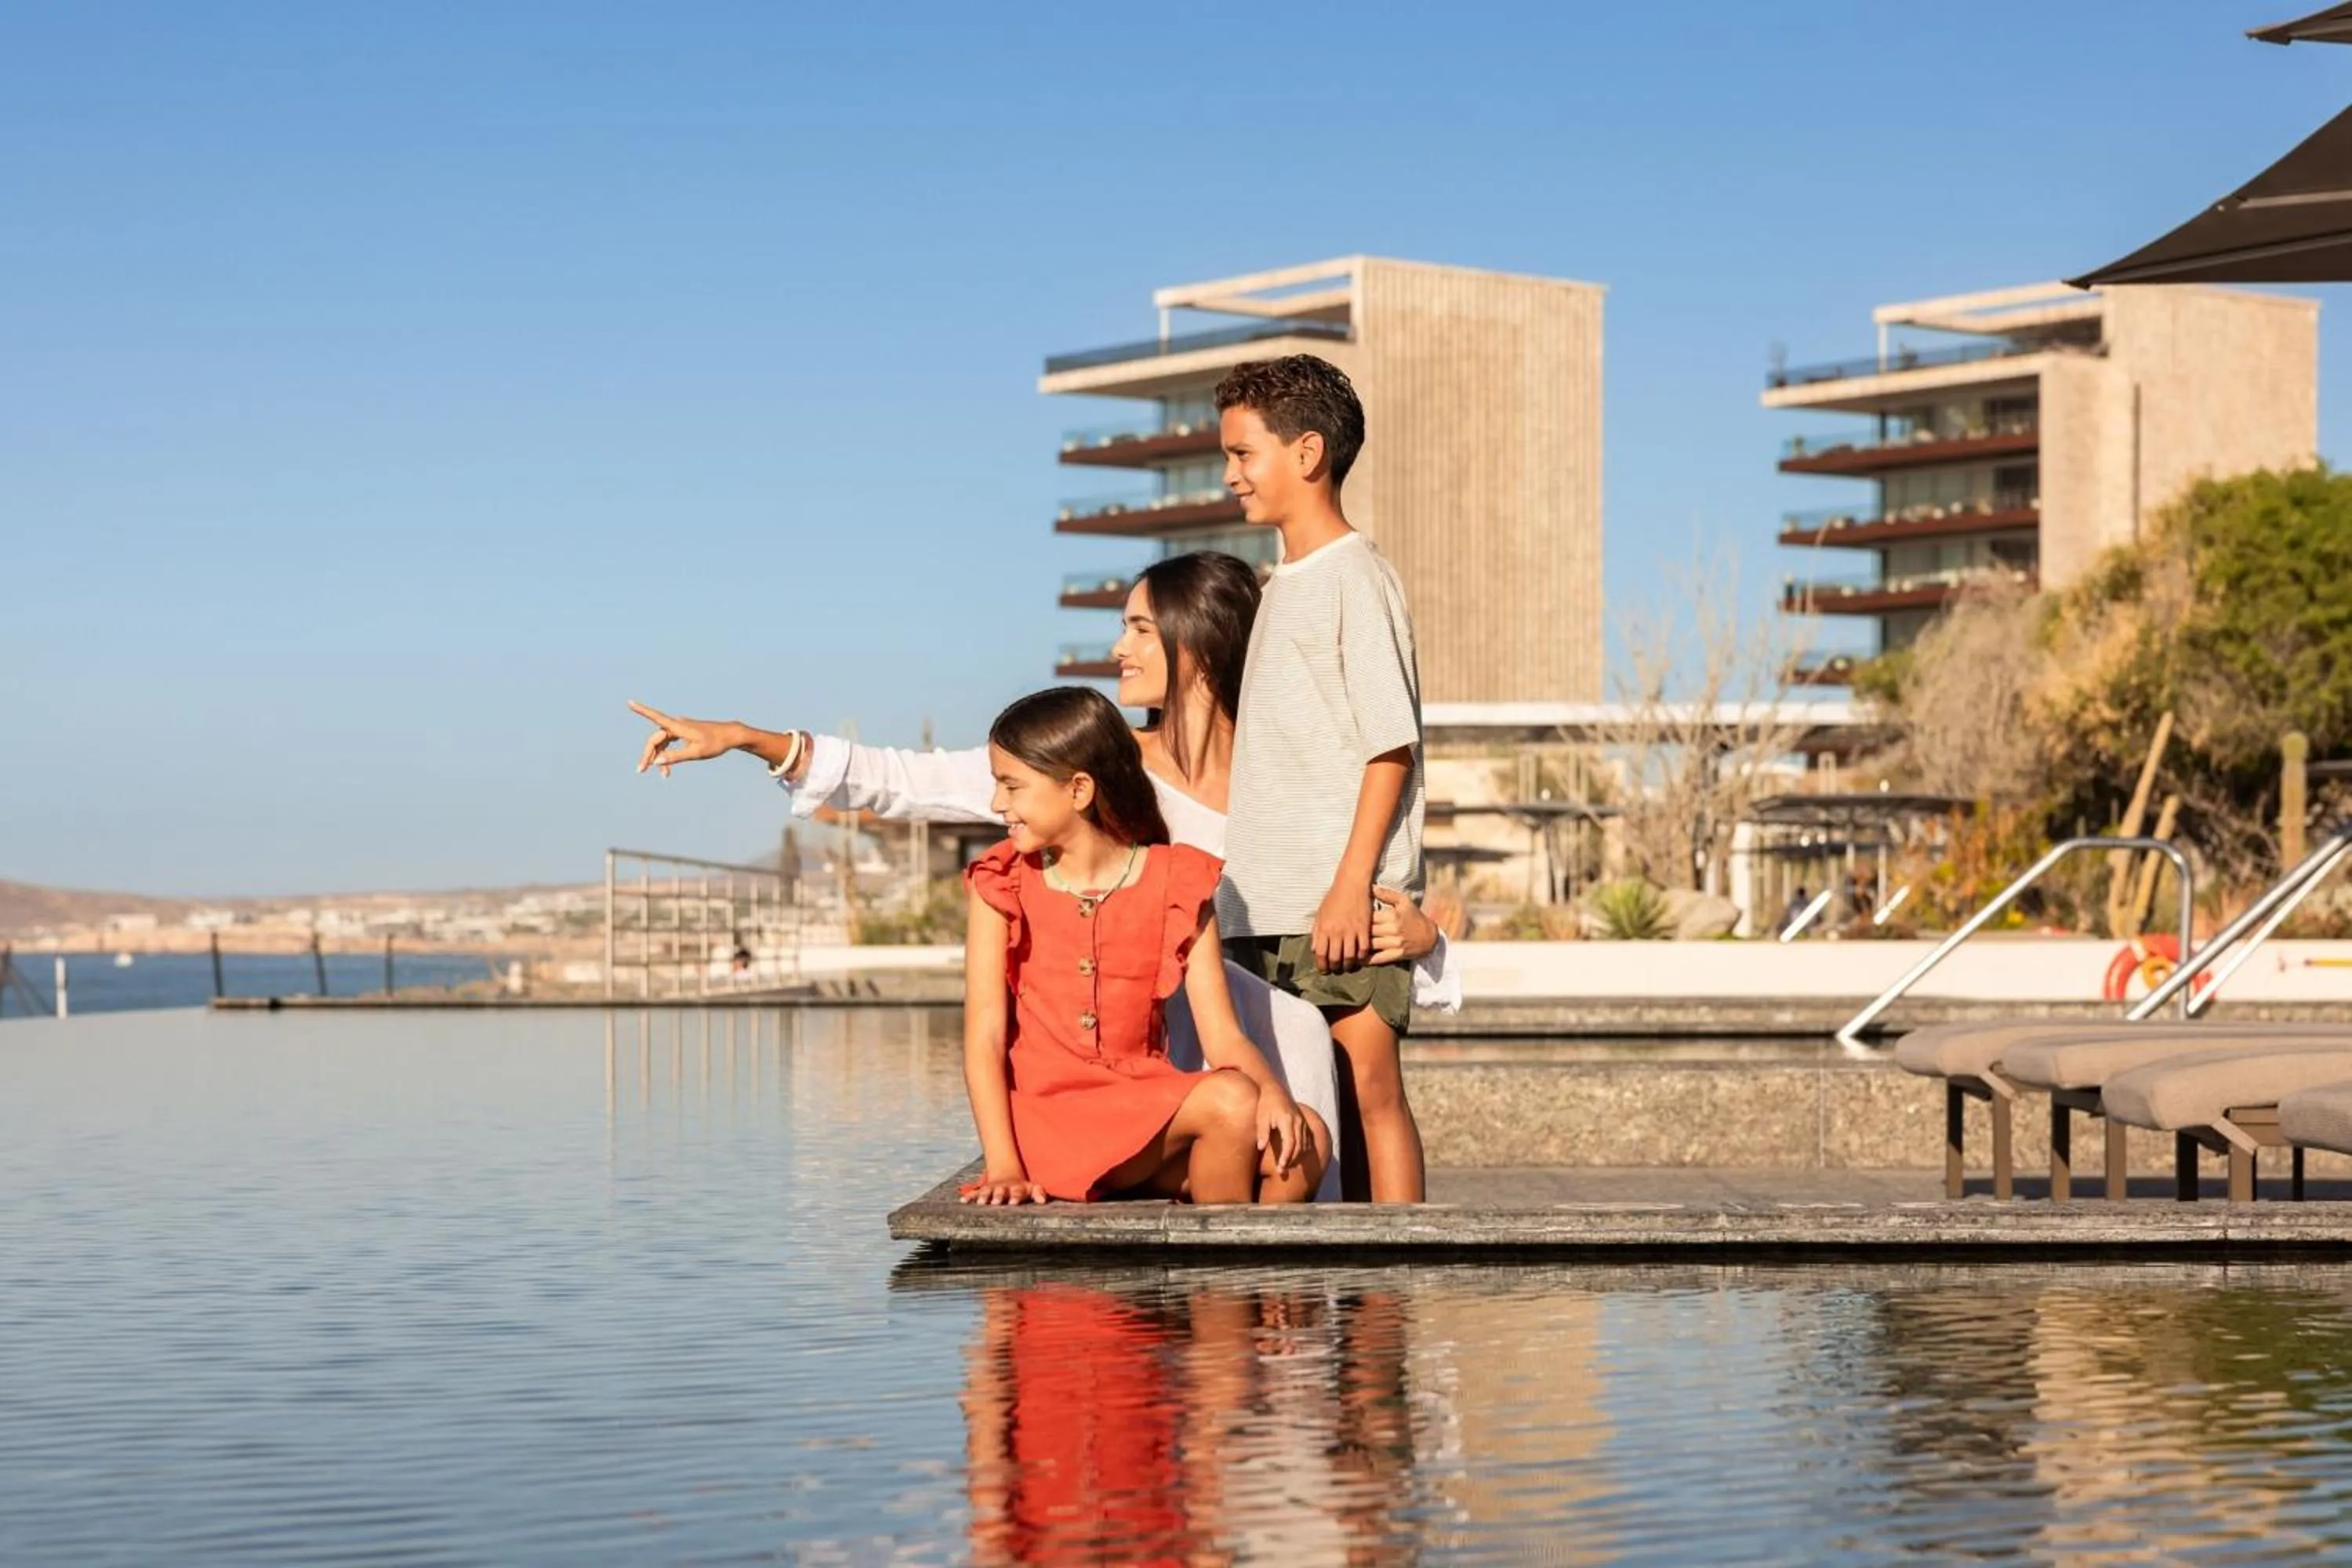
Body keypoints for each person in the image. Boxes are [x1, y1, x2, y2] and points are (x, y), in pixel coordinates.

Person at [626, 550, 1465, 1200]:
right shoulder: (1094, 773)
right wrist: (750, 737)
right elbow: (909, 779)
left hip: (1271, 1032)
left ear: (1199, 641)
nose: (1118, 647)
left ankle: (1362, 1333)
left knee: (1324, 1124)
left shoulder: (1283, 770)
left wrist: (1425, 935)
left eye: (1140, 627)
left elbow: (1360, 871)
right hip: (1155, 1055)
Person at [958, 686, 1326, 1206]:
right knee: (1231, 1102)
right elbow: (985, 1039)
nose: (999, 804)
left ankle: (1239, 1278)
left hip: (1146, 1107)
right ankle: (1224, 1281)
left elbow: (1224, 1039)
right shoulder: (1000, 884)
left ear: (1079, 790)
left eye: (1012, 787)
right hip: (1053, 1123)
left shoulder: (1179, 881)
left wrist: (1277, 1097)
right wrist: (1002, 1165)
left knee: (1305, 1139)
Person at [1211, 355, 1429, 1203]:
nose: (1230, 474)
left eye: (1243, 453)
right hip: (1261, 903)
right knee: (1296, 1111)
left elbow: (1390, 748)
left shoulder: (1356, 577)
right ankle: (1306, 1309)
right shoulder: (1280, 586)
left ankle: (1386, 1316)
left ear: (1307, 453)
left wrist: (1349, 888)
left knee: (1370, 1094)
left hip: (1338, 906)